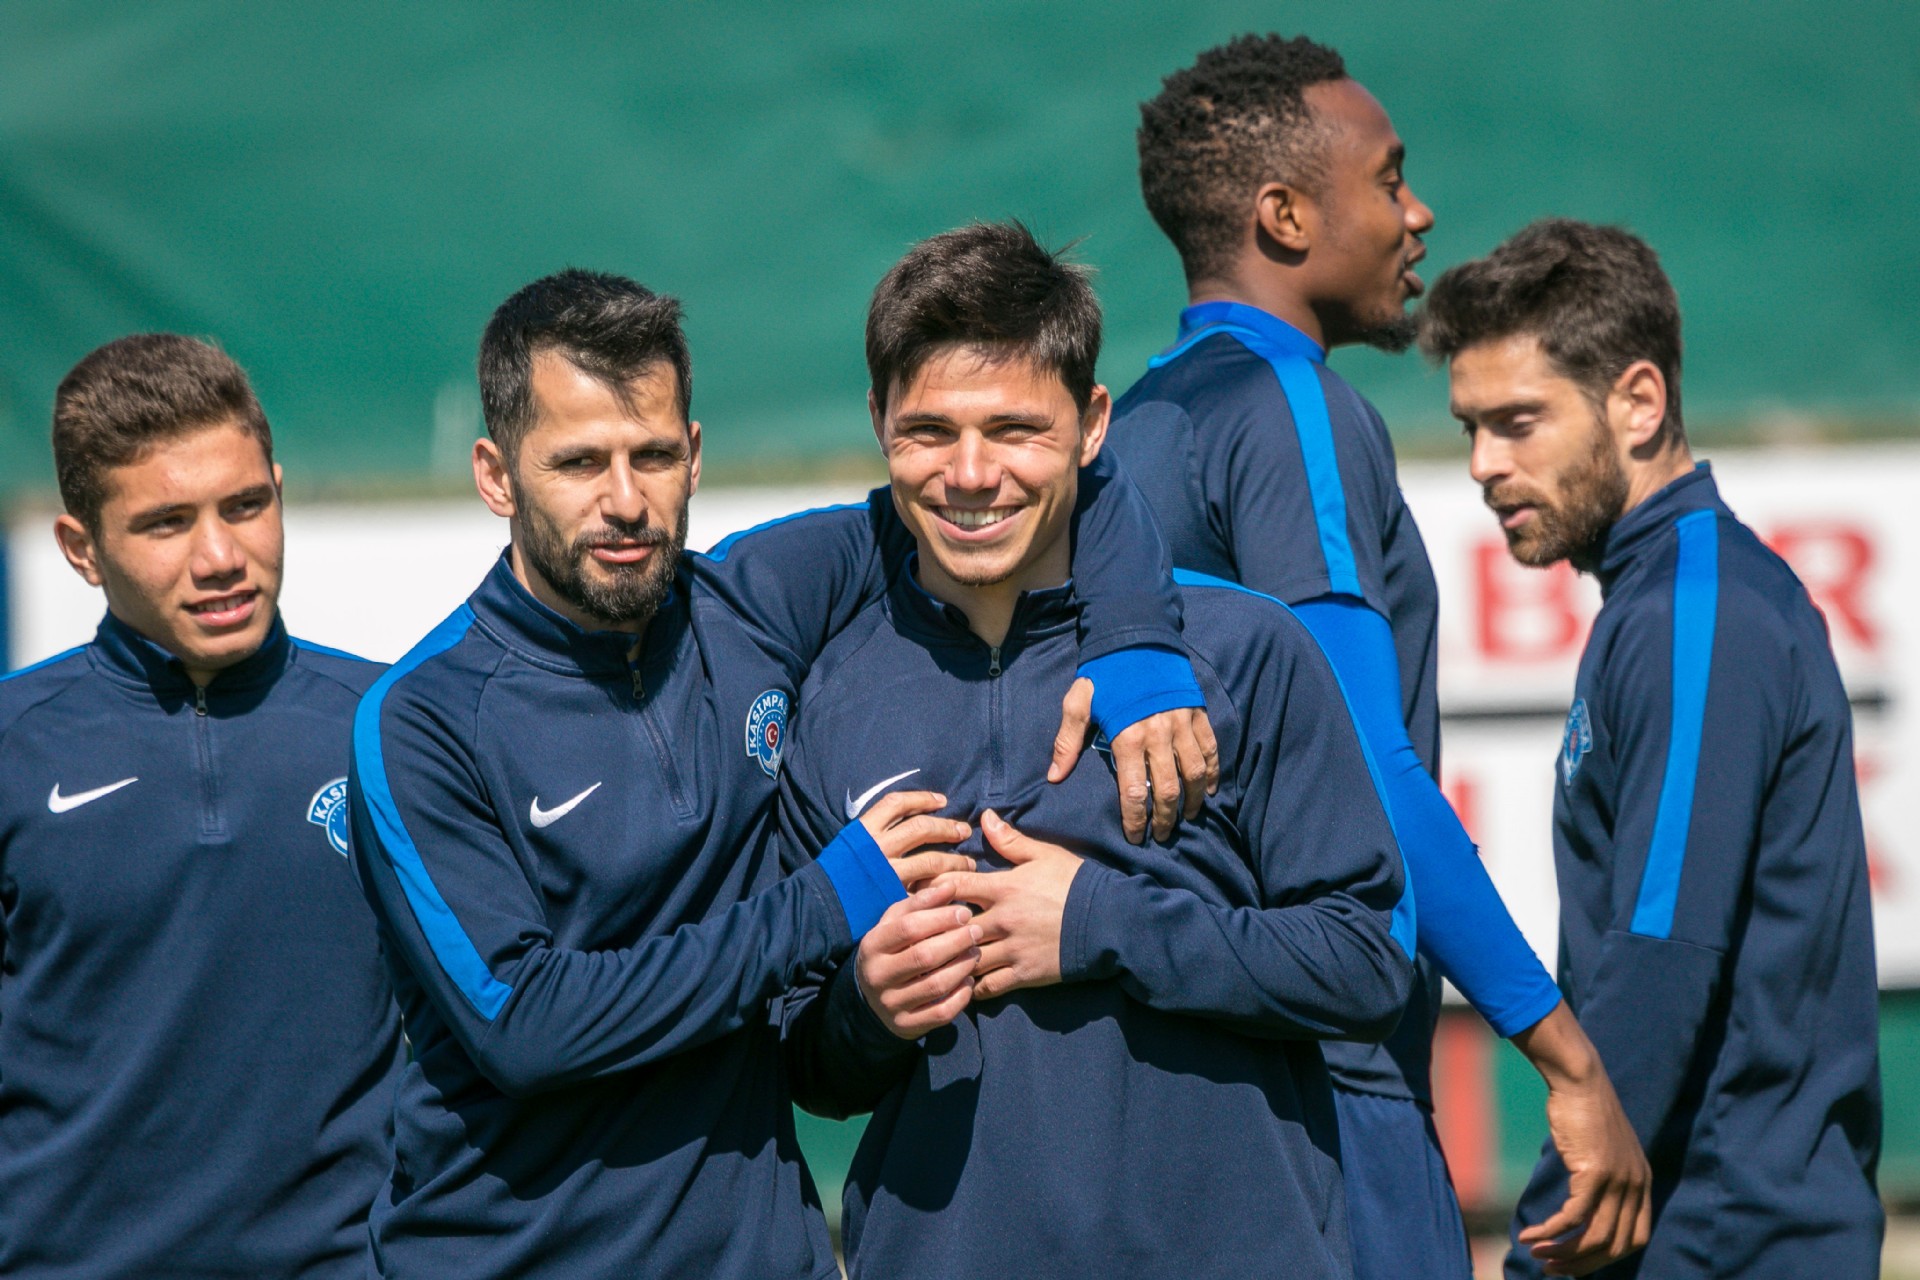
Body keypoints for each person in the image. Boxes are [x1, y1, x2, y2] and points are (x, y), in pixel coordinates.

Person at [347, 267, 1215, 1278]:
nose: (625, 501)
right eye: (578, 462)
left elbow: (1014, 490)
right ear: (497, 475)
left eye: (653, 456)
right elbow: (524, 1025)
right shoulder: (423, 719)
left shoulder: (751, 603)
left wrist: (1138, 645)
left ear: (694, 455)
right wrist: (825, 902)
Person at [1106, 34, 1648, 1277]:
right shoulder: (1290, 404)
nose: (1419, 213)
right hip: (1329, 1090)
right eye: (1390, 178)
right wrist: (1564, 1056)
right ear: (1285, 215)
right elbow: (1368, 770)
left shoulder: (1133, 425)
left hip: (1175, 1093)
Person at [780, 221, 1415, 1279]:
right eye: (929, 431)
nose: (971, 474)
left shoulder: (1240, 652)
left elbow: (1364, 966)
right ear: (879, 421)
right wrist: (867, 1008)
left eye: (1016, 429)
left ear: (1092, 425)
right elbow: (809, 1062)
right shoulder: (827, 698)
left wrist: (1100, 923)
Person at [1419, 219, 1883, 1277]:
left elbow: (1664, 947)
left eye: (1519, 421)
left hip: (1725, 1233)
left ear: (1638, 401)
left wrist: (1546, 1245)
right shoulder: (1655, 600)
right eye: (1471, 428)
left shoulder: (1698, 614)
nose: (1487, 464)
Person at [0, 335, 404, 1277]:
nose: (220, 556)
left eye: (246, 506)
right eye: (166, 523)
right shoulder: (15, 749)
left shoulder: (396, 728)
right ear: (82, 549)